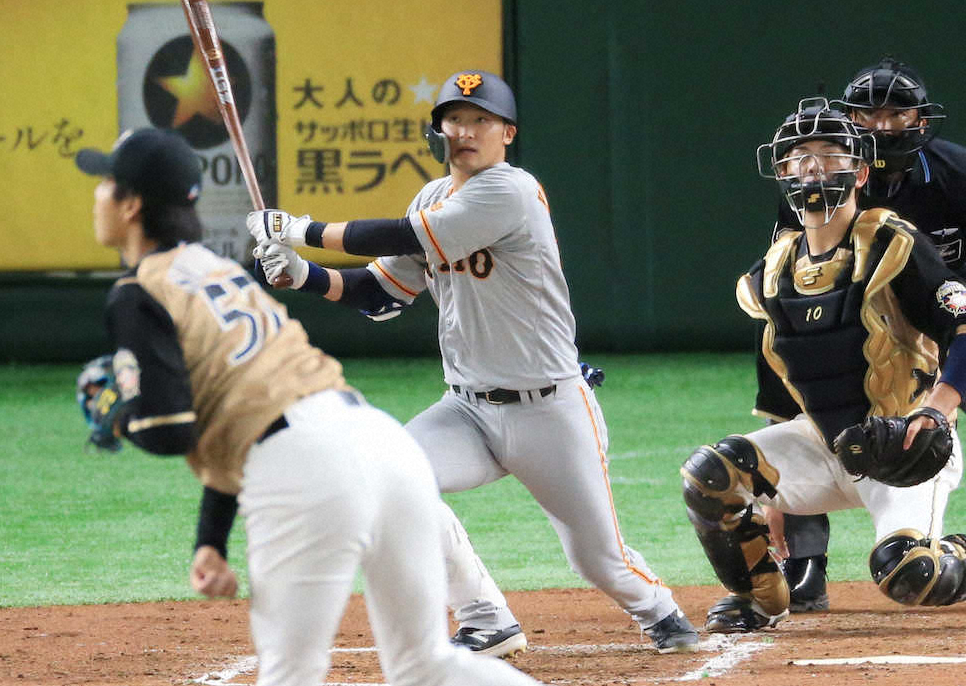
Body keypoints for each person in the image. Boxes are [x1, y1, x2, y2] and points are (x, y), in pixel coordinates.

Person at [245, 70, 700, 655]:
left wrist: (299, 229)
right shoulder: (431, 197)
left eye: (481, 120)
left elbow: (403, 234)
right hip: (466, 410)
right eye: (453, 119)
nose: (464, 131)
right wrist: (301, 274)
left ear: (507, 133)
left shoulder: (511, 191)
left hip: (548, 410)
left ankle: (660, 611)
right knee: (386, 482)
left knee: (596, 559)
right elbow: (380, 295)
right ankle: (486, 617)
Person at [73, 126, 547, 686]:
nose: (97, 195)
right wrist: (210, 541)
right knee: (425, 664)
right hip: (382, 444)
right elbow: (246, 408)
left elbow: (172, 431)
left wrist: (123, 416)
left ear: (131, 205)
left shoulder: (138, 293)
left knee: (290, 675)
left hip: (304, 471)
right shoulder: (216, 270)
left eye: (105, 183)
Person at [683, 97, 966, 634]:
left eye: (830, 153)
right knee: (711, 475)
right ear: (781, 172)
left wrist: (937, 408)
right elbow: (782, 379)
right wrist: (773, 497)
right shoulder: (775, 268)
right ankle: (760, 597)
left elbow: (963, 326)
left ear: (860, 171)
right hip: (823, 443)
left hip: (901, 445)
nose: (813, 167)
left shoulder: (893, 244)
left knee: (911, 574)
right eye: (799, 156)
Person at [760, 58, 966, 612]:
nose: (882, 126)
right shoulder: (817, 187)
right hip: (870, 323)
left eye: (897, 113)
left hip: (947, 310)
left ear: (922, 120)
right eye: (868, 114)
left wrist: (943, 397)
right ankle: (805, 564)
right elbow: (791, 305)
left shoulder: (956, 175)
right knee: (817, 369)